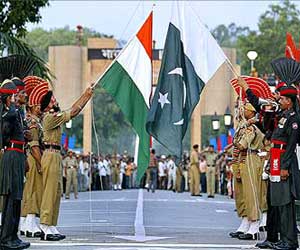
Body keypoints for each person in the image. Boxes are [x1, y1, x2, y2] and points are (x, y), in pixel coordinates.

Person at [38, 81, 93, 241]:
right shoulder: (49, 117)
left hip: (55, 154)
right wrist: (86, 95)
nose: (55, 101)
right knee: (49, 191)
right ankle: (45, 224)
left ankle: (51, 224)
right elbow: (74, 111)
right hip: (50, 154)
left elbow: (71, 110)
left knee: (56, 191)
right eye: (52, 99)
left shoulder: (53, 117)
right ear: (48, 105)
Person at [268, 86, 300, 250]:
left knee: (286, 202)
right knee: (278, 200)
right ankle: (283, 238)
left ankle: (291, 241)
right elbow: (270, 133)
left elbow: (291, 145)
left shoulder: (293, 119)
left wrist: (285, 166)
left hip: (284, 161)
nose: (279, 101)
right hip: (275, 159)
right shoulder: (282, 116)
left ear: (289, 101)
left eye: (282, 99)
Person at [0, 79, 30, 249]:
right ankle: (6, 239)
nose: (25, 95)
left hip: (18, 155)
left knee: (16, 198)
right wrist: (10, 103)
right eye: (21, 93)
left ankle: (13, 236)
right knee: (12, 198)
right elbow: (5, 132)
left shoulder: (17, 112)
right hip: (11, 155)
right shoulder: (8, 112)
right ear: (13, 96)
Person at [234, 103, 265, 240]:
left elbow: (242, 145)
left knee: (251, 193)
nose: (242, 111)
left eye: (245, 109)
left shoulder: (252, 128)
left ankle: (254, 225)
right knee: (242, 193)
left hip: (251, 159)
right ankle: (245, 221)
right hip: (242, 160)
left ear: (252, 112)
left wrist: (237, 140)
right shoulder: (244, 126)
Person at [21, 76, 45, 238]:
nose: (41, 108)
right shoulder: (33, 122)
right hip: (33, 156)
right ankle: (29, 223)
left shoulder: (31, 119)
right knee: (34, 190)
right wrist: (41, 163)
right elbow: (34, 144)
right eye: (38, 106)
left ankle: (25, 223)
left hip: (29, 156)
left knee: (29, 190)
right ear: (31, 106)